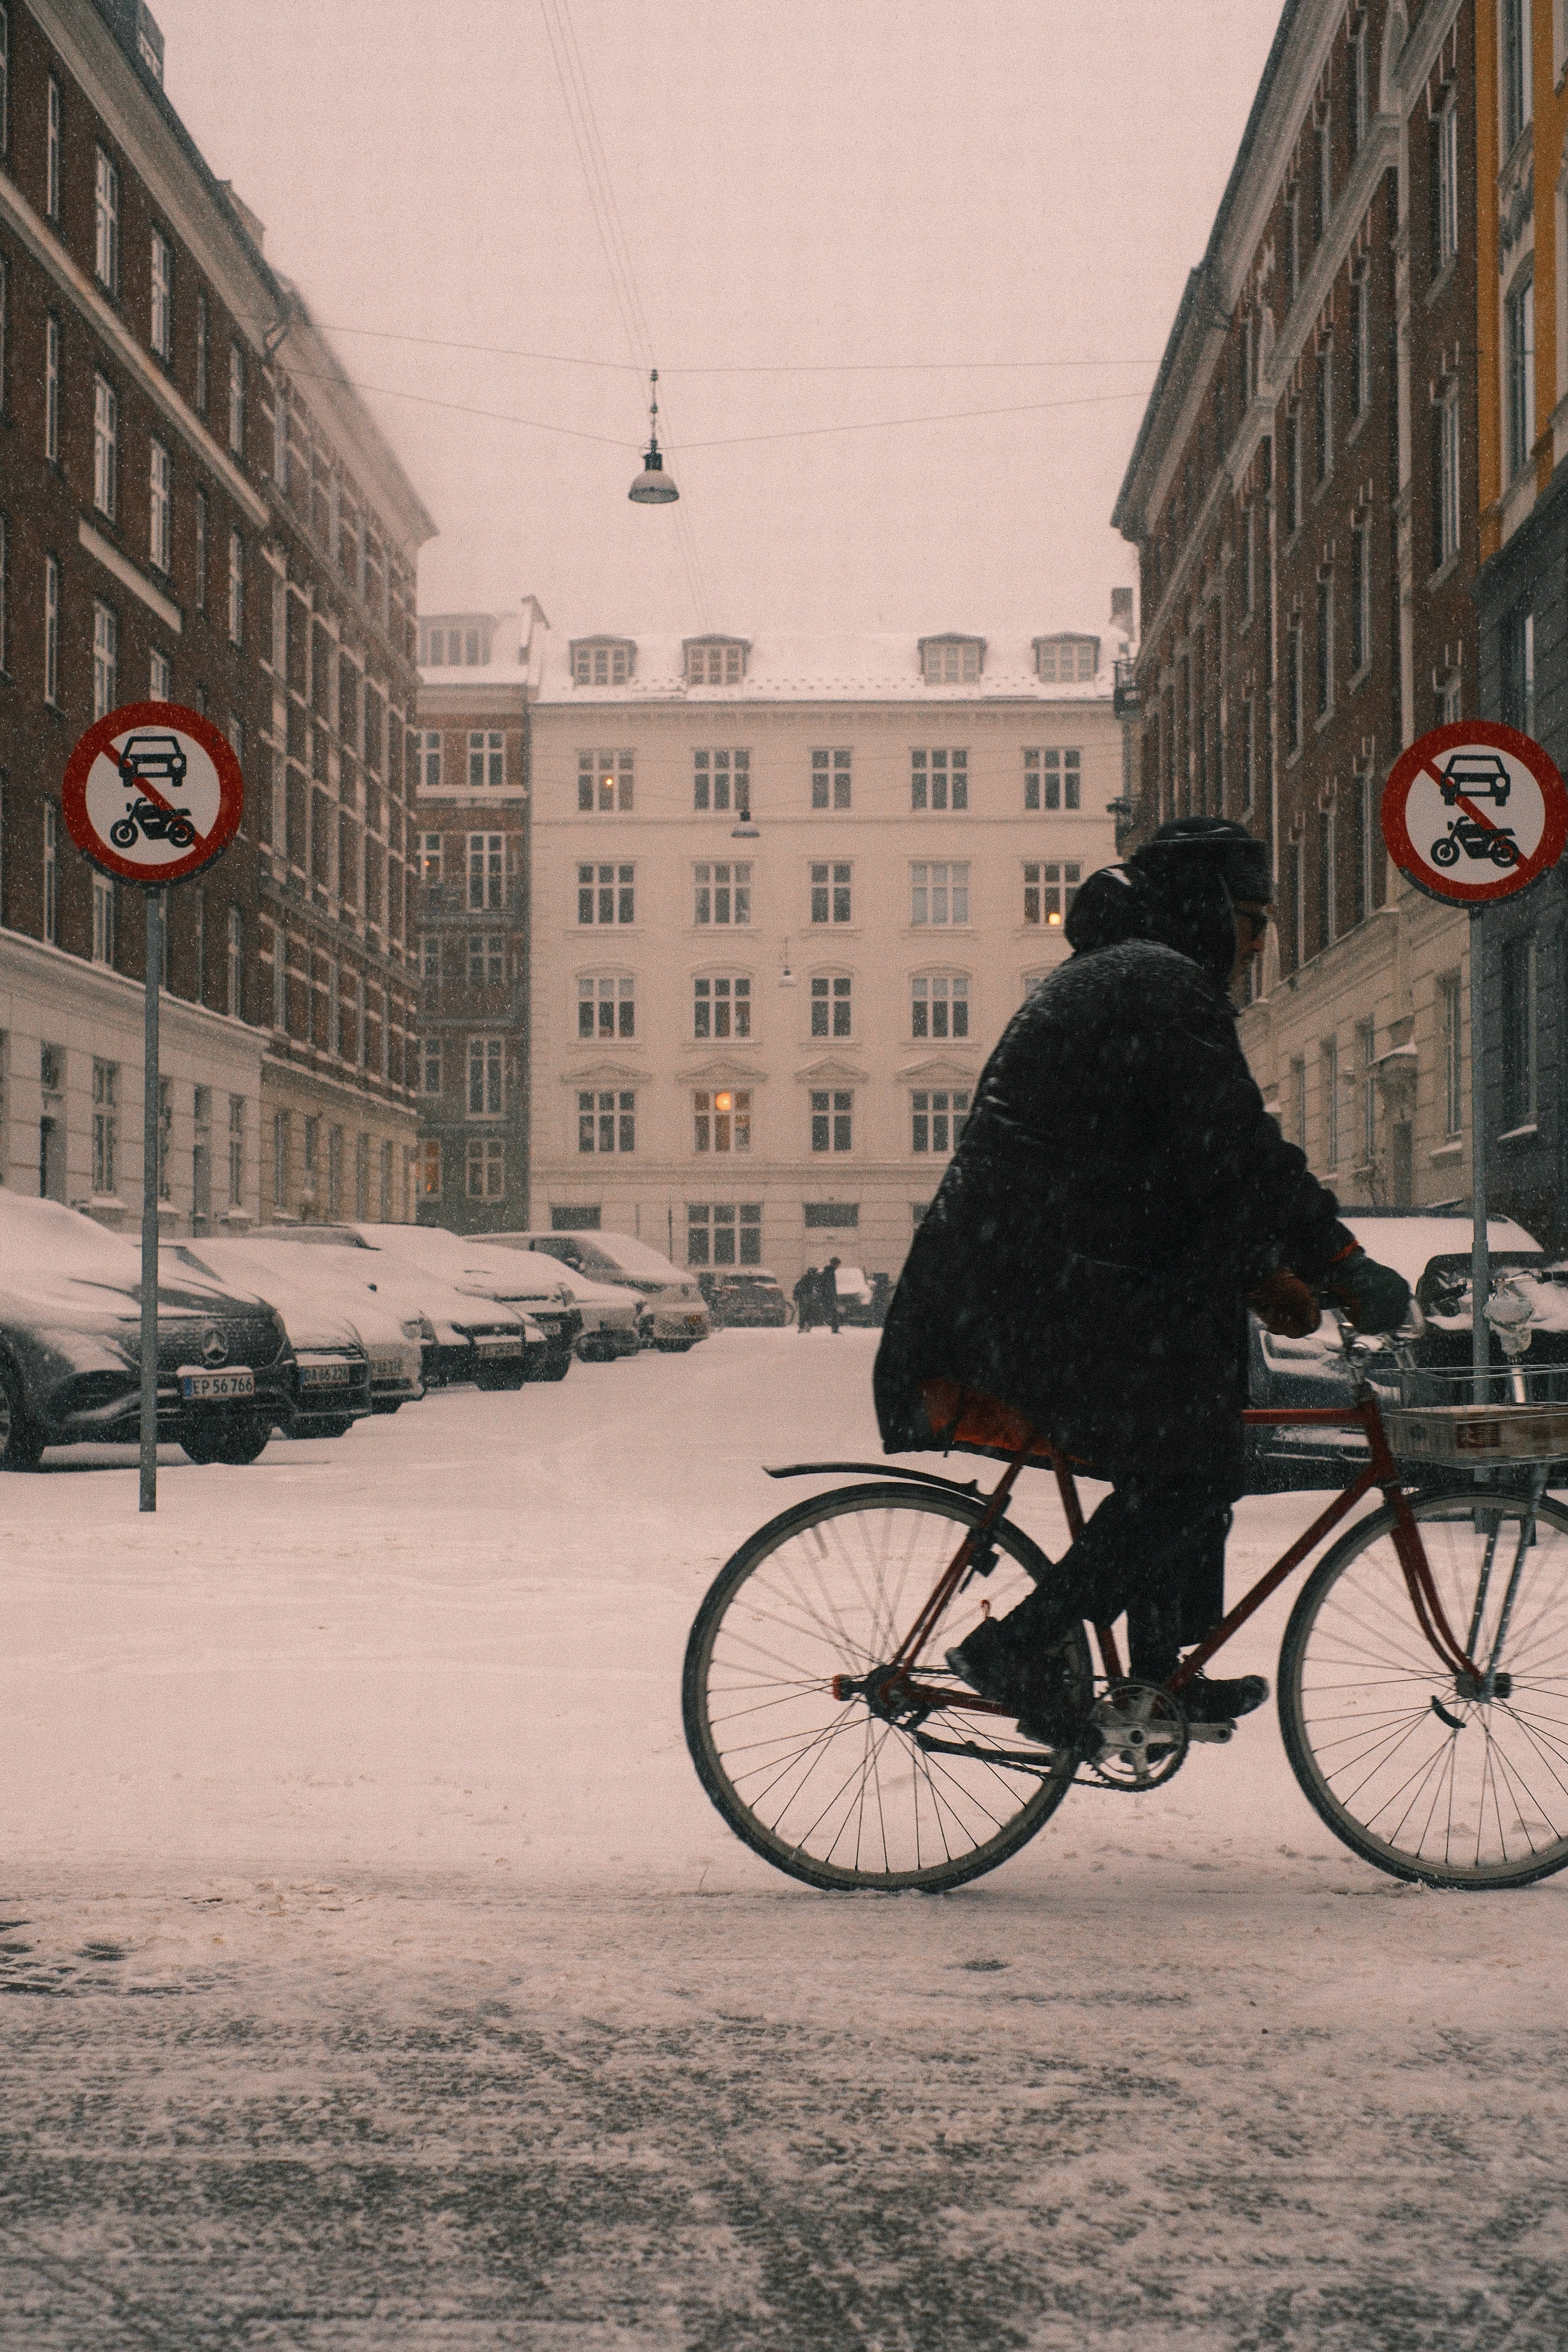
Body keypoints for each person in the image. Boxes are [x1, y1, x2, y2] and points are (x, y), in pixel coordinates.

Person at [873, 816, 1411, 1743]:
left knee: (1200, 1426)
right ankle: (1023, 1645)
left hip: (1039, 1273)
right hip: (1038, 1285)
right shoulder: (1155, 985)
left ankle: (1160, 1675)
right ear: (1205, 909)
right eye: (1249, 920)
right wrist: (1339, 1262)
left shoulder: (1130, 976)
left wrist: (1254, 1271)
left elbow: (1164, 1164)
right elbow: (1231, 1147)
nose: (1254, 945)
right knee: (1193, 1469)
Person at [794, 1267, 820, 1332]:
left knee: (805, 1313)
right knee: (807, 1312)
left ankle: (805, 1326)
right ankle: (806, 1325)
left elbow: (798, 1287)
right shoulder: (812, 1279)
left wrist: (796, 1297)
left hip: (805, 1298)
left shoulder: (806, 1278)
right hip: (807, 1298)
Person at [822, 1256, 844, 1335]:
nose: (838, 1267)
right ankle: (835, 1329)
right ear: (836, 1264)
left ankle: (835, 1328)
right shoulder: (830, 1273)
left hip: (828, 1297)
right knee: (834, 1313)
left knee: (833, 1313)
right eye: (838, 1265)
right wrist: (833, 1297)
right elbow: (830, 1287)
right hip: (829, 1297)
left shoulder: (829, 1272)